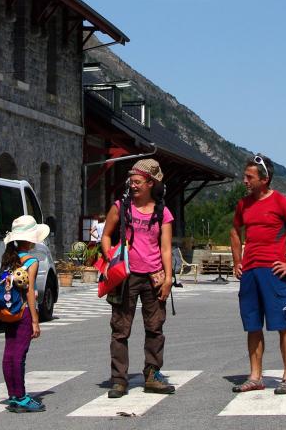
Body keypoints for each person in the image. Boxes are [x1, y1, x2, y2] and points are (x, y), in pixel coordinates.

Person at [230, 154, 286, 395]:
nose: (244, 180)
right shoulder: (243, 204)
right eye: (245, 176)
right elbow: (235, 231)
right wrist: (237, 261)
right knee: (252, 326)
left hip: (273, 273)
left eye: (249, 177)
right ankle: (255, 376)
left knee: (283, 324)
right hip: (250, 274)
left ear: (264, 179)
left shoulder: (280, 201)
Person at [101, 159, 175, 398]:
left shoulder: (162, 212)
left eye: (137, 182)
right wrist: (109, 259)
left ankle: (152, 375)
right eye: (131, 181)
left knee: (155, 328)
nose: (132, 186)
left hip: (154, 275)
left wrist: (168, 279)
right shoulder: (120, 207)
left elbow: (165, 249)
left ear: (150, 183)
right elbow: (106, 236)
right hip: (126, 276)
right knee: (120, 329)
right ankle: (119, 380)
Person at [0, 215, 50, 413]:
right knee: (20, 355)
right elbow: (30, 291)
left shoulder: (8, 259)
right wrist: (35, 320)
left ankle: (13, 394)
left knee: (9, 353)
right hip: (23, 312)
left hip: (8, 310)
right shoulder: (31, 261)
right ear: (30, 240)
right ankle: (21, 397)